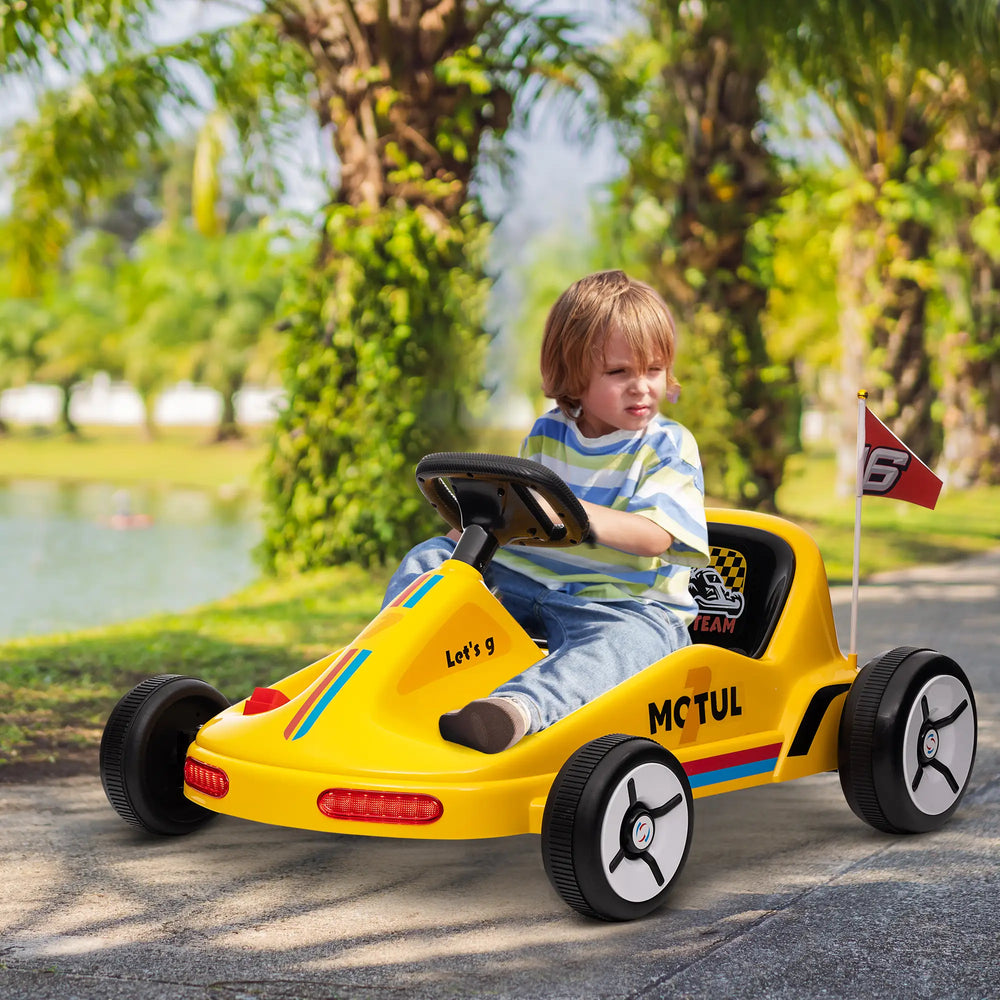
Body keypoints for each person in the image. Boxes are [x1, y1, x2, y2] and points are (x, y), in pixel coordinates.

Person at [383, 269, 710, 753]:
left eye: (654, 370)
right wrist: (471, 537)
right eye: (619, 373)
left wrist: (570, 510)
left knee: (629, 646)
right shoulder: (547, 432)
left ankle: (512, 710)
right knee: (430, 557)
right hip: (527, 587)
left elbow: (654, 537)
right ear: (574, 376)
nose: (641, 387)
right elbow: (516, 511)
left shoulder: (666, 445)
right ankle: (390, 664)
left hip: (623, 605)